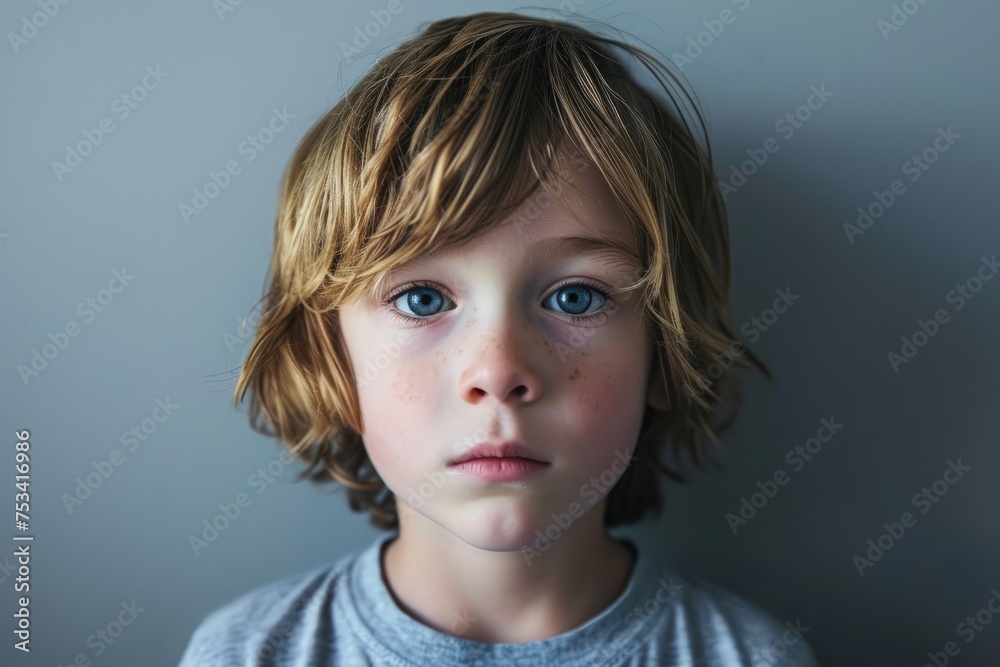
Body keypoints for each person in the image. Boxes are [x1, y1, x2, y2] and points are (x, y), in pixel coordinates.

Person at [179, 11, 820, 666]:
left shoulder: (754, 657)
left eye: (575, 297)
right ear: (333, 363)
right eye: (421, 299)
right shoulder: (248, 652)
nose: (499, 370)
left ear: (664, 351)